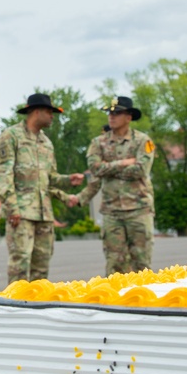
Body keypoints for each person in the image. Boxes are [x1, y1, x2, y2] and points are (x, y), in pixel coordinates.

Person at [0, 93, 85, 284]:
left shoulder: (47, 143)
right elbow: (3, 175)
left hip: (44, 215)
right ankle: (15, 308)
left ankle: (36, 307)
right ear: (36, 111)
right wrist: (12, 208)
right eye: (49, 112)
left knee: (41, 268)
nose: (52, 116)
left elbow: (49, 179)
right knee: (20, 266)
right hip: (21, 214)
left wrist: (69, 180)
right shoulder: (11, 136)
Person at [76, 96, 156, 274]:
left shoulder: (144, 141)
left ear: (128, 117)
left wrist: (109, 167)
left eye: (117, 113)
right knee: (115, 266)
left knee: (142, 265)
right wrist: (123, 163)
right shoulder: (98, 143)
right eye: (109, 113)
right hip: (112, 212)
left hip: (139, 210)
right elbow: (94, 168)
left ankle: (145, 301)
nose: (111, 117)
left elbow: (141, 170)